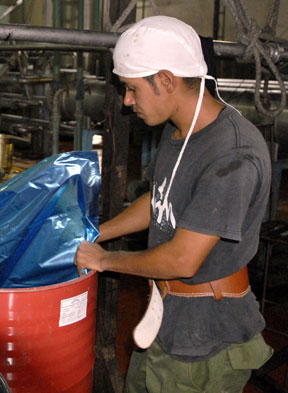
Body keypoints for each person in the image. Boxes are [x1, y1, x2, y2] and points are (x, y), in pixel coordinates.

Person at [74, 15, 273, 392]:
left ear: (166, 80)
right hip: (167, 320)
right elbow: (162, 197)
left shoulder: (232, 154)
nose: (127, 101)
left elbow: (183, 259)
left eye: (131, 89)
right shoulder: (178, 130)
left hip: (205, 343)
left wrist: (104, 260)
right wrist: (101, 231)